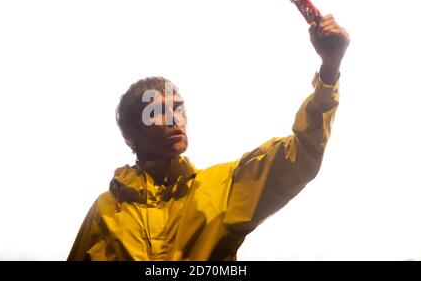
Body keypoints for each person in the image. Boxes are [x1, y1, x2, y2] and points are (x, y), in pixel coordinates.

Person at [67, 14, 349, 260]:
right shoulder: (103, 213)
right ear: (131, 133)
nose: (173, 119)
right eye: (156, 112)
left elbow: (300, 154)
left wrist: (329, 69)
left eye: (178, 109)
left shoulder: (223, 188)